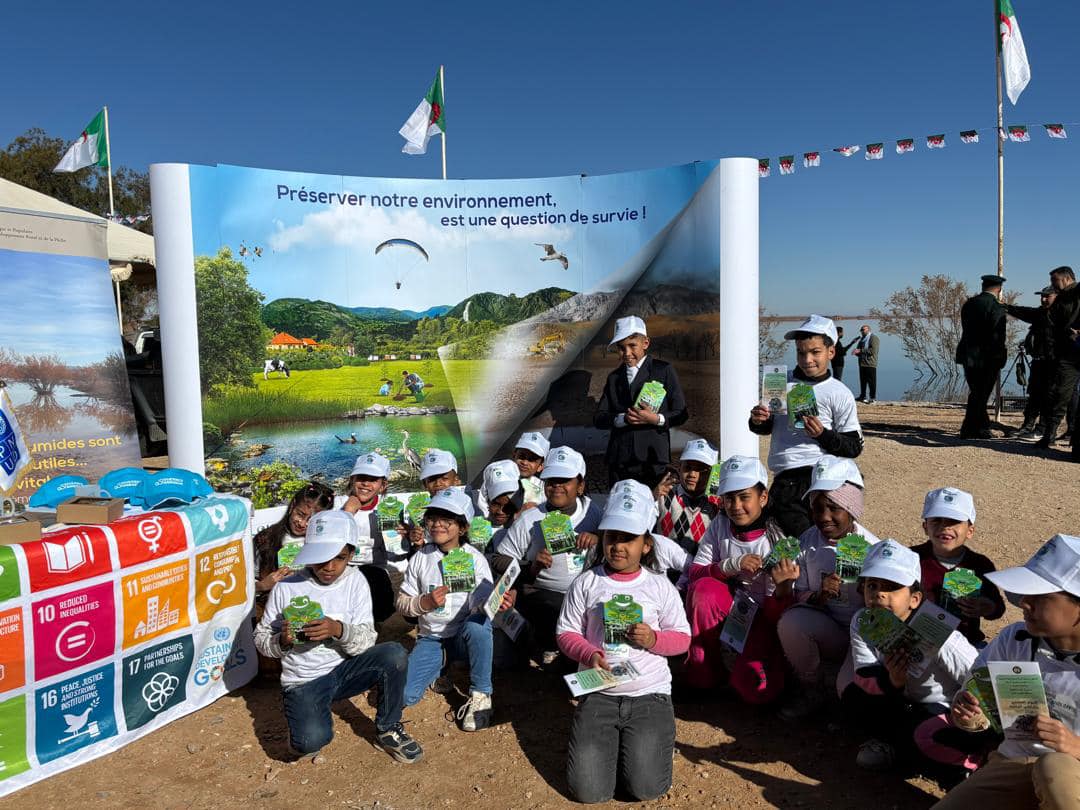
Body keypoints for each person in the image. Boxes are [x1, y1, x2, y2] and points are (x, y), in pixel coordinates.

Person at [556, 481, 690, 803]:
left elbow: (683, 638)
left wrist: (654, 638)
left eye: (628, 538)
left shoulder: (659, 586)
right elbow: (566, 632)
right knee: (589, 792)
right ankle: (617, 746)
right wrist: (589, 652)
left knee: (647, 788)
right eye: (612, 536)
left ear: (646, 544)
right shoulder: (587, 583)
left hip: (649, 695)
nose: (618, 546)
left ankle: (650, 742)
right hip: (599, 692)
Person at [253, 510, 423, 763]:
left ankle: (388, 728)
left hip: (345, 670)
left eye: (340, 558)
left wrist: (338, 630)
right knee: (309, 742)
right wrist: (282, 641)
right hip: (304, 680)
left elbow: (366, 639)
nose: (329, 567)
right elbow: (261, 638)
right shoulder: (287, 586)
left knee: (394, 653)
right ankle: (306, 715)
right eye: (321, 558)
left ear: (351, 554)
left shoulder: (356, 582)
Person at [935, 534, 1080, 808]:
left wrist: (1074, 746)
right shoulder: (1014, 638)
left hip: (1072, 773)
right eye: (1027, 592)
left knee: (1055, 768)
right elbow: (979, 703)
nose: (1025, 602)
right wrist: (970, 715)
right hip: (1014, 761)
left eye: (1041, 596)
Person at [841, 540, 980, 779]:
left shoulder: (938, 631)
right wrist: (892, 681)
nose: (879, 594)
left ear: (914, 599)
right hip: (901, 698)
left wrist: (972, 710)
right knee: (853, 699)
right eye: (872, 585)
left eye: (892, 586)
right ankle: (891, 744)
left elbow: (977, 672)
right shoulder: (863, 621)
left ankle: (969, 765)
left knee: (923, 735)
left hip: (940, 706)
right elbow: (865, 673)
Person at [775, 455, 880, 720]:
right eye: (817, 507)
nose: (824, 517)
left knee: (849, 694)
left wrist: (869, 594)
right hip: (829, 630)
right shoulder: (807, 542)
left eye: (834, 507)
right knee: (792, 622)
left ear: (852, 507)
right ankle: (811, 688)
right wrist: (819, 595)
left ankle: (847, 685)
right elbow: (798, 593)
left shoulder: (873, 548)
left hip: (864, 638)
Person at [397, 488, 511, 731]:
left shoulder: (476, 559)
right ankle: (442, 663)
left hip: (463, 637)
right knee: (406, 695)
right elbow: (402, 602)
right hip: (431, 639)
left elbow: (479, 604)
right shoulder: (420, 557)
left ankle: (481, 695)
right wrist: (423, 603)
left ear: (463, 527)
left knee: (478, 626)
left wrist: (494, 602)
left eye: (447, 520)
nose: (437, 525)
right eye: (433, 519)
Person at [684, 455, 789, 704]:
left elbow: (777, 616)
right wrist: (730, 566)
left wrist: (783, 586)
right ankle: (704, 673)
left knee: (757, 691)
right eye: (729, 498)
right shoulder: (720, 524)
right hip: (728, 605)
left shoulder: (777, 541)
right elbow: (695, 573)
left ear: (763, 497)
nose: (736, 505)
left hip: (761, 620)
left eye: (744, 497)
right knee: (703, 590)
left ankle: (766, 666)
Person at [749, 314, 863, 537]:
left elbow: (853, 447)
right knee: (789, 543)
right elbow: (765, 428)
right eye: (801, 352)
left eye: (815, 352)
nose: (807, 359)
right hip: (786, 480)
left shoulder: (840, 393)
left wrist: (822, 434)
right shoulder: (780, 382)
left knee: (823, 542)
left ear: (831, 352)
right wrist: (757, 419)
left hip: (824, 479)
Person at [495, 446, 601, 666]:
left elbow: (617, 542)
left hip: (588, 593)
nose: (557, 486)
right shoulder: (530, 519)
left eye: (565, 480)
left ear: (580, 485)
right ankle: (547, 645)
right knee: (551, 607)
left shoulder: (594, 512)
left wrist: (598, 538)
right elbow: (499, 558)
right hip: (544, 593)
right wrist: (531, 566)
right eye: (551, 480)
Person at [594, 315, 688, 487]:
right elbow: (599, 417)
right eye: (621, 348)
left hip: (652, 460)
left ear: (645, 343)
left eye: (632, 346)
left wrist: (656, 419)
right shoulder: (614, 377)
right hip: (619, 459)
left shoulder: (663, 370)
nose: (627, 353)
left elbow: (681, 413)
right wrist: (622, 419)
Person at [913, 487, 1004, 648]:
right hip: (919, 640)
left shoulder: (980, 565)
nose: (945, 527)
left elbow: (998, 609)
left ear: (970, 531)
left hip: (967, 643)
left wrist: (987, 607)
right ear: (925, 527)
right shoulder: (911, 558)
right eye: (937, 520)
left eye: (954, 521)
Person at [340, 452, 405, 623]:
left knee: (377, 593)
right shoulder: (338, 508)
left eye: (373, 479)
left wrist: (401, 539)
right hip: (342, 569)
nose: (366, 484)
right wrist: (347, 513)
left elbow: (396, 555)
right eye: (361, 477)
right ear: (352, 479)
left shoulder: (388, 511)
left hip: (375, 570)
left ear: (383, 485)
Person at [955, 275, 1008, 440]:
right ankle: (970, 429)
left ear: (983, 286)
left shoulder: (969, 303)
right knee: (981, 393)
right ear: (999, 289)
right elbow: (998, 335)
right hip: (987, 357)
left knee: (977, 392)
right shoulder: (996, 306)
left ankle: (978, 427)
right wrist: (1000, 355)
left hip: (967, 354)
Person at [1038, 265, 1080, 452]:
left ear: (1067, 278)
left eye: (1055, 280)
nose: (1052, 285)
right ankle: (1050, 436)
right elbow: (1049, 319)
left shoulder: (1077, 293)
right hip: (1066, 354)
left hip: (1073, 352)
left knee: (1063, 395)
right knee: (1059, 395)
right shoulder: (1061, 298)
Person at [655, 438, 722, 555]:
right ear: (679, 468)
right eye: (688, 467)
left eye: (701, 470)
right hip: (666, 570)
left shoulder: (720, 503)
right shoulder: (663, 494)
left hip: (704, 570)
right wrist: (652, 497)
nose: (692, 474)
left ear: (713, 472)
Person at [1008, 285, 1058, 440]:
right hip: (1038, 362)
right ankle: (1027, 426)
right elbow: (1025, 312)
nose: (1043, 299)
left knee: (1048, 397)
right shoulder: (1041, 313)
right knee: (1034, 395)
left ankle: (1042, 429)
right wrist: (1007, 307)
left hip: (1053, 363)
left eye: (1047, 296)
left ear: (1057, 296)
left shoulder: (1061, 315)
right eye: (1042, 296)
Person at [475, 432, 546, 517]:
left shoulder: (544, 490)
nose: (524, 462)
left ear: (540, 466)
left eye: (532, 459)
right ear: (514, 454)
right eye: (522, 456)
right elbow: (484, 512)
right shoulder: (495, 479)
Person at [852, 324, 880, 402]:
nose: (861, 331)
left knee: (871, 382)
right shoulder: (862, 340)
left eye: (863, 329)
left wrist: (860, 351)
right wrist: (856, 352)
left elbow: (873, 351)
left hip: (870, 364)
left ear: (868, 330)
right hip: (862, 364)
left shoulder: (874, 338)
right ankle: (862, 396)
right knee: (863, 381)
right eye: (861, 330)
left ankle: (872, 398)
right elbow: (859, 350)